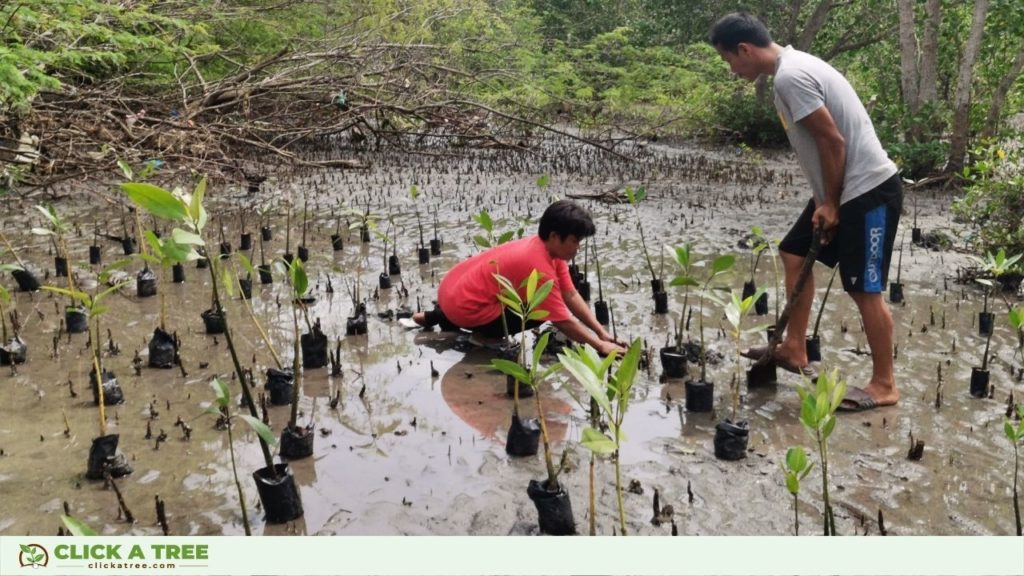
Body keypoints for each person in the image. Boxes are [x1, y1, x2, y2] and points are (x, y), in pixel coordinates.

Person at [709, 12, 902, 411]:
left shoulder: (790, 76)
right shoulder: (791, 68)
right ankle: (794, 347)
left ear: (745, 49)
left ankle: (885, 384)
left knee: (863, 289)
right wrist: (823, 199)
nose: (731, 71)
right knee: (793, 252)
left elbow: (833, 141)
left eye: (729, 61)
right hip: (840, 190)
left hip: (867, 191)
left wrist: (830, 203)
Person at [413, 200, 626, 356]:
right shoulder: (539, 266)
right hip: (465, 306)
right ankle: (484, 337)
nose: (578, 248)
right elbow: (562, 320)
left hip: (453, 292)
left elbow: (570, 294)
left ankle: (434, 317)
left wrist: (601, 332)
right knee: (539, 311)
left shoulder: (546, 249)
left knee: (507, 297)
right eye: (574, 241)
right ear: (554, 236)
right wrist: (600, 347)